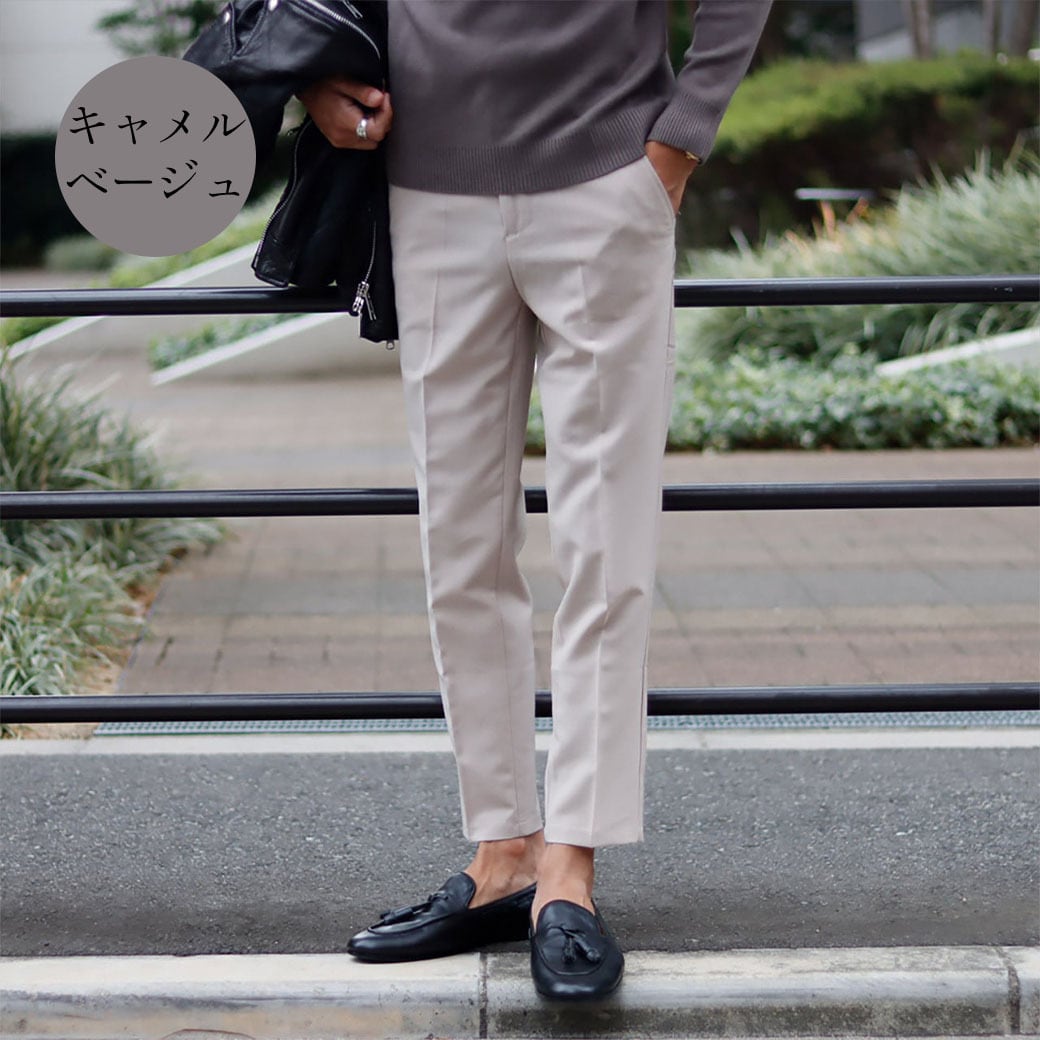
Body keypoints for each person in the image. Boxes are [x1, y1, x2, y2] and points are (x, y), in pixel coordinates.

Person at [300, 0, 771, 1001]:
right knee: (460, 542)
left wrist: (681, 137)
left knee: (606, 545)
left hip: (607, 177)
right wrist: (312, 78)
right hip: (426, 189)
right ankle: (503, 852)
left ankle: (570, 867)